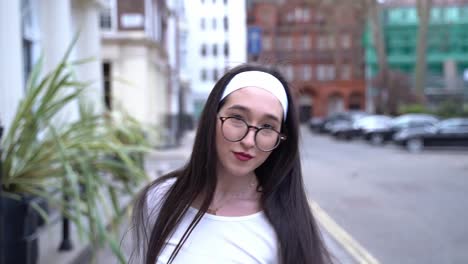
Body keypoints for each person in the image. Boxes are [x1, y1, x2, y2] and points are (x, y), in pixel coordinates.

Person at [129, 64, 332, 264]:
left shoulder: (286, 228)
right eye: (237, 118)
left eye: (268, 126)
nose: (249, 141)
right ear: (212, 118)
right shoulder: (161, 198)